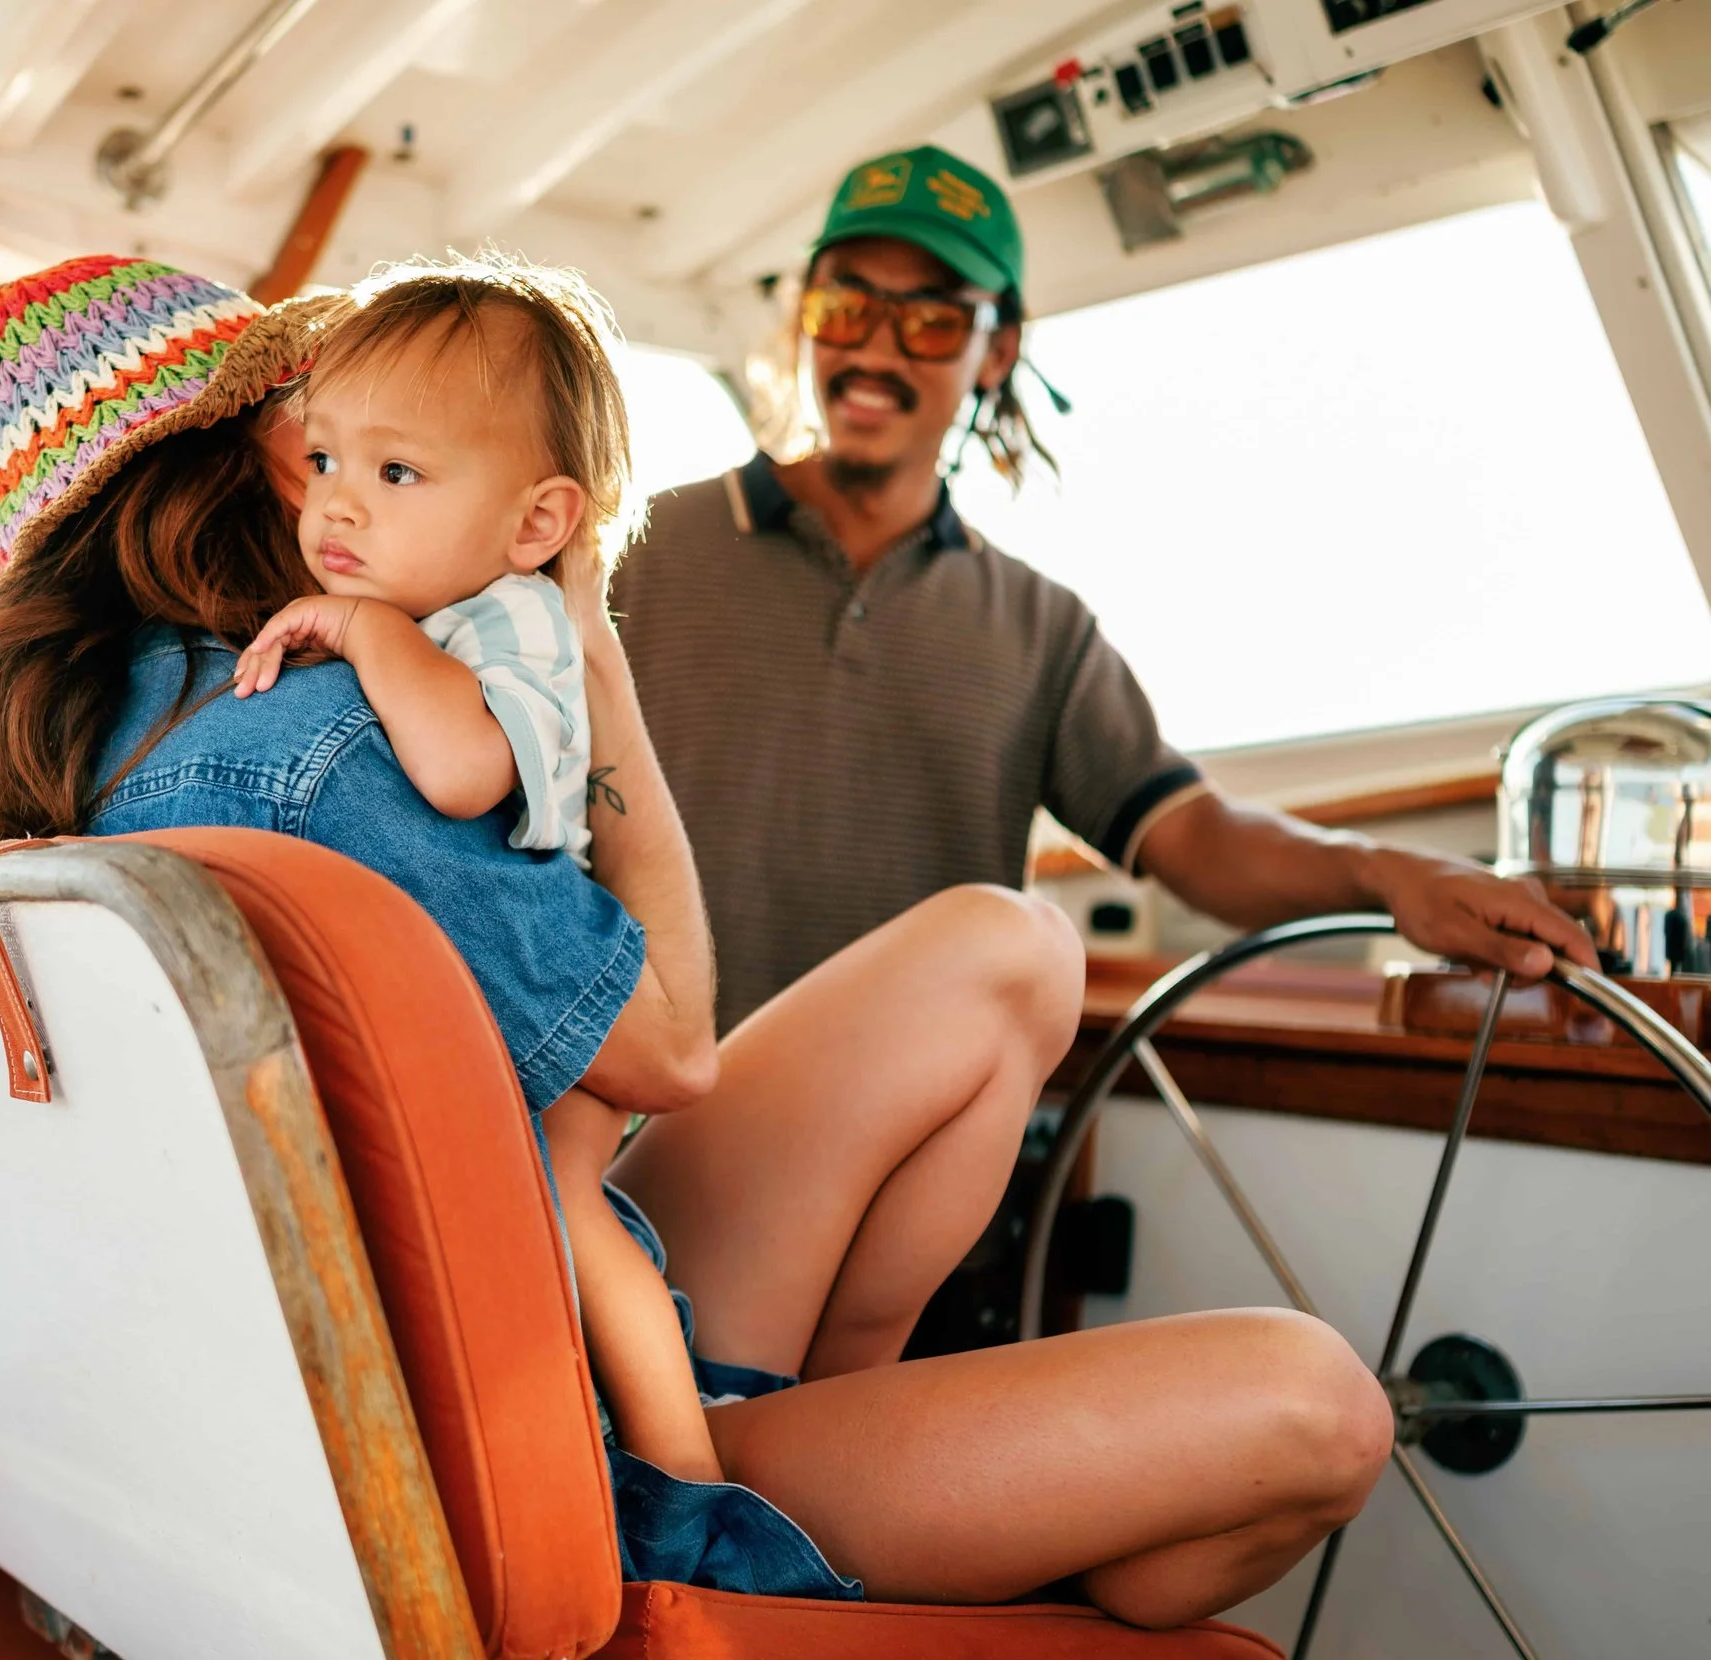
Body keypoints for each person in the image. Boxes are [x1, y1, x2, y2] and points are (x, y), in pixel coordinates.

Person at [0, 253, 1391, 1626]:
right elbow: (671, 1040)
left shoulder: (84, 765)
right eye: (304, 419)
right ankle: (805, 1514)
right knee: (1323, 1408)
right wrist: (592, 645)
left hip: (458, 1360)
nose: (334, 456)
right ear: (223, 461)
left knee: (1007, 945)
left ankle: (859, 1445)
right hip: (563, 1447)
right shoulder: (322, 743)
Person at [615, 144, 1597, 1034]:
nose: (873, 350)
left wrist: (1383, 873)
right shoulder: (633, 553)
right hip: (629, 1123)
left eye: (929, 320)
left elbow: (1194, 836)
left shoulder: (1042, 631)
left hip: (896, 1142)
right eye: (846, 306)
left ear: (995, 352)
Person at [229, 260, 721, 1484]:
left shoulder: (504, 617)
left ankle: (692, 1483)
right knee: (544, 1213)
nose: (338, 508)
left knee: (572, 1211)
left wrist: (360, 629)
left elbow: (455, 773)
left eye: (395, 473)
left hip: (564, 968)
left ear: (538, 525)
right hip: (527, 975)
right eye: (325, 461)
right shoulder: (446, 599)